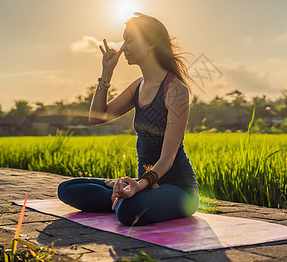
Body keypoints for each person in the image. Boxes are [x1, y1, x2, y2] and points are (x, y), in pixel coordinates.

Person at [57, 12, 199, 227]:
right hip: (144, 185)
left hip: (177, 189)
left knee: (128, 211)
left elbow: (168, 158)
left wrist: (141, 184)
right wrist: (107, 72)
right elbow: (97, 117)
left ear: (151, 43)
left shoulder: (175, 89)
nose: (123, 47)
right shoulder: (138, 86)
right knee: (67, 189)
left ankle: (126, 197)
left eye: (130, 40)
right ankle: (121, 191)